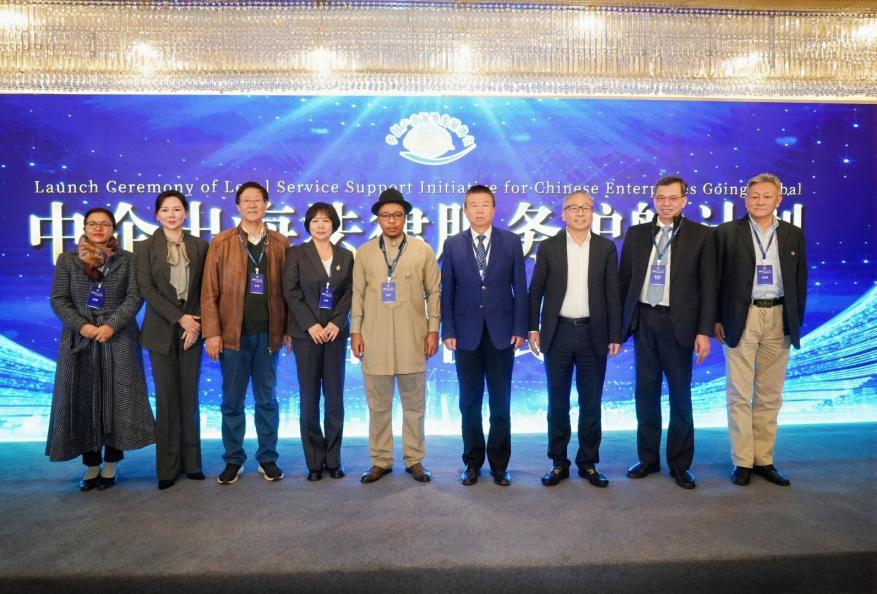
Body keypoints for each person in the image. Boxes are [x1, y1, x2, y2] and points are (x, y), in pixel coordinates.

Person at [46, 207, 155, 490]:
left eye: (104, 224)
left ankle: (111, 463)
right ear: (84, 228)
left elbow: (134, 297)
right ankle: (91, 464)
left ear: (112, 229)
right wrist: (83, 326)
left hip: (118, 337)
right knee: (83, 398)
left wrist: (111, 325)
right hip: (80, 338)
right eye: (92, 224)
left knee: (118, 399)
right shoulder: (67, 260)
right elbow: (58, 299)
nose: (98, 228)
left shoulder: (128, 260)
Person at [619, 175, 716, 490]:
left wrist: (704, 331)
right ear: (653, 199)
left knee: (679, 396)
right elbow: (624, 282)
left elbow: (708, 288)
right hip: (644, 321)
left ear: (684, 201)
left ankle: (680, 464)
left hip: (679, 325)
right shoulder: (636, 234)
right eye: (660, 197)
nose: (666, 203)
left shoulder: (701, 235)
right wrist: (620, 328)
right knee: (645, 393)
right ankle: (647, 458)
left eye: (673, 198)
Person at [714, 173, 807, 487]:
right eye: (754, 196)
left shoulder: (793, 234)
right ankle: (742, 461)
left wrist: (794, 320)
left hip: (779, 318)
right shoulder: (727, 233)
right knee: (739, 393)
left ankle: (763, 460)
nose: (760, 201)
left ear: (779, 200)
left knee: (770, 395)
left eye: (767, 196)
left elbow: (800, 282)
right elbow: (714, 281)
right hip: (742, 317)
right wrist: (717, 319)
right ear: (745, 199)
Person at [528, 191, 621, 488]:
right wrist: (532, 328)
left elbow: (613, 295)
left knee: (591, 402)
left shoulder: (606, 248)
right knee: (557, 402)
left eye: (586, 208)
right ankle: (558, 461)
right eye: (574, 208)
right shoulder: (549, 247)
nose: (580, 213)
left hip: (594, 334)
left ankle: (588, 462)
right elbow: (536, 291)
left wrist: (615, 334)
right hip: (558, 333)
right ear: (564, 213)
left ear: (593, 213)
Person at [201, 181, 291, 485]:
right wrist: (212, 333)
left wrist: (288, 330)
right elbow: (209, 291)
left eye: (258, 200)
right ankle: (233, 459)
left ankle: (268, 458)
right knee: (232, 401)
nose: (252, 205)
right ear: (238, 206)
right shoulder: (222, 242)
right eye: (246, 200)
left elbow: (289, 291)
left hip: (268, 336)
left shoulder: (280, 243)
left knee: (267, 400)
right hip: (232, 337)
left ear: (266, 205)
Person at [350, 188, 441, 484]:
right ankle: (380, 460)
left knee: (415, 405)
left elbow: (434, 293)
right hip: (374, 338)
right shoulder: (365, 252)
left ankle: (415, 459)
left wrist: (433, 330)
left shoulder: (422, 250)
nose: (391, 221)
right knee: (378, 405)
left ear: (405, 218)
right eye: (386, 215)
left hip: (413, 338)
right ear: (377, 218)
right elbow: (357, 294)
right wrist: (355, 331)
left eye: (397, 215)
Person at [441, 184, 527, 486]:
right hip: (465, 335)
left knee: (500, 404)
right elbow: (447, 291)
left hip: (502, 334)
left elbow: (520, 288)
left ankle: (500, 465)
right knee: (469, 404)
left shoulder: (511, 241)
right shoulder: (453, 244)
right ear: (465, 211)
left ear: (494, 209)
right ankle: (473, 463)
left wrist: (520, 328)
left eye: (485, 204)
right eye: (473, 205)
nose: (479, 210)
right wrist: (448, 329)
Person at [136, 190, 209, 490]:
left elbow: (207, 287)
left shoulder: (200, 245)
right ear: (157, 215)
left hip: (193, 329)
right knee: (166, 399)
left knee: (189, 398)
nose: (171, 214)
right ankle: (167, 466)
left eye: (177, 209)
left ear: (186, 214)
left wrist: (194, 324)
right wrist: (180, 318)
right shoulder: (144, 247)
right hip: (161, 330)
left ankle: (192, 463)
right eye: (165, 210)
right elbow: (147, 289)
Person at [283, 202, 354, 481]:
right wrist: (311, 325)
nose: (321, 225)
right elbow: (291, 292)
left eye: (326, 220)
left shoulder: (345, 256)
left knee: (334, 399)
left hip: (335, 335)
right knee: (309, 398)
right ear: (308, 225)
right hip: (306, 336)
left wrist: (336, 322)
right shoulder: (296, 253)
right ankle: (314, 461)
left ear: (334, 224)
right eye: (315, 220)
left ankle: (333, 459)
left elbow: (350, 292)